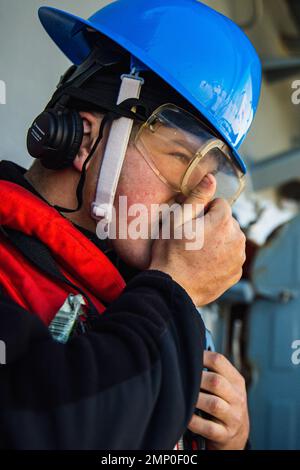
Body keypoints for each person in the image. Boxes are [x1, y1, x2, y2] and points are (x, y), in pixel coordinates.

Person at [0, 0, 261, 450]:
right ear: (84, 139)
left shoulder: (141, 297)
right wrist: (174, 290)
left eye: (210, 176)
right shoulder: (161, 297)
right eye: (182, 157)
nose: (194, 197)